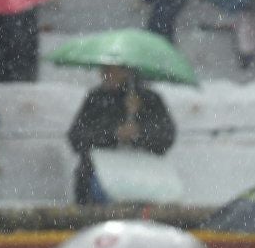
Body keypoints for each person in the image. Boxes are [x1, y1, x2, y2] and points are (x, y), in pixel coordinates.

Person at [66, 64, 177, 204]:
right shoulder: (96, 99)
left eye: (110, 70)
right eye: (103, 70)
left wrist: (139, 132)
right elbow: (76, 137)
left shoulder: (150, 99)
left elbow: (166, 136)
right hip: (98, 176)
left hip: (144, 177)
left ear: (126, 72)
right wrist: (114, 134)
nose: (104, 75)